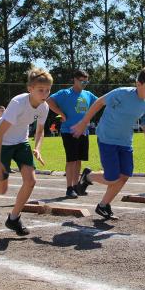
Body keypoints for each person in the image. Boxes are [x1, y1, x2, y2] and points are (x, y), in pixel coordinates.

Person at [0, 68, 51, 236]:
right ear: (30, 89)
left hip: (22, 142)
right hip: (4, 142)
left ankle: (13, 218)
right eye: (41, 90)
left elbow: (40, 130)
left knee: (31, 181)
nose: (45, 94)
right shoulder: (18, 103)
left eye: (48, 90)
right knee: (1, 189)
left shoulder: (44, 107)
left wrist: (37, 147)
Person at [73, 67, 145, 220]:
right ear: (138, 84)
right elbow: (99, 102)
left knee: (125, 175)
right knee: (112, 178)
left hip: (126, 141)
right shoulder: (122, 93)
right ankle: (88, 177)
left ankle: (103, 205)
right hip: (107, 138)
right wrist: (83, 122)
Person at [47, 69, 99, 198]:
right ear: (75, 80)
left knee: (79, 160)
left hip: (83, 131)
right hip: (68, 131)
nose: (84, 83)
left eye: (86, 81)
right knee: (71, 160)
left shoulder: (88, 94)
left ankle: (77, 186)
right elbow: (49, 101)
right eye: (81, 81)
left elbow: (99, 103)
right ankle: (69, 188)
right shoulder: (65, 93)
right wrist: (61, 113)